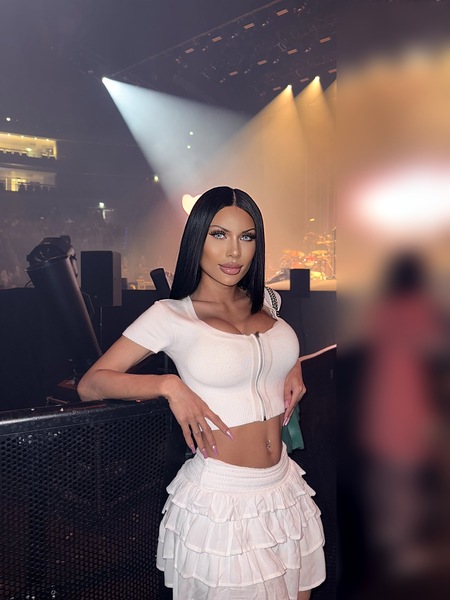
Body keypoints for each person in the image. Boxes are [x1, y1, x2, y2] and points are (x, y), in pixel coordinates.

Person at [78, 186, 326, 599]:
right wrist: (168, 385)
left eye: (247, 237)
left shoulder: (266, 302)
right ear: (197, 239)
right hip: (221, 498)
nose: (234, 252)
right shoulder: (171, 315)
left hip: (285, 486)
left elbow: (263, 348)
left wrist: (291, 363)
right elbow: (92, 383)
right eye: (219, 235)